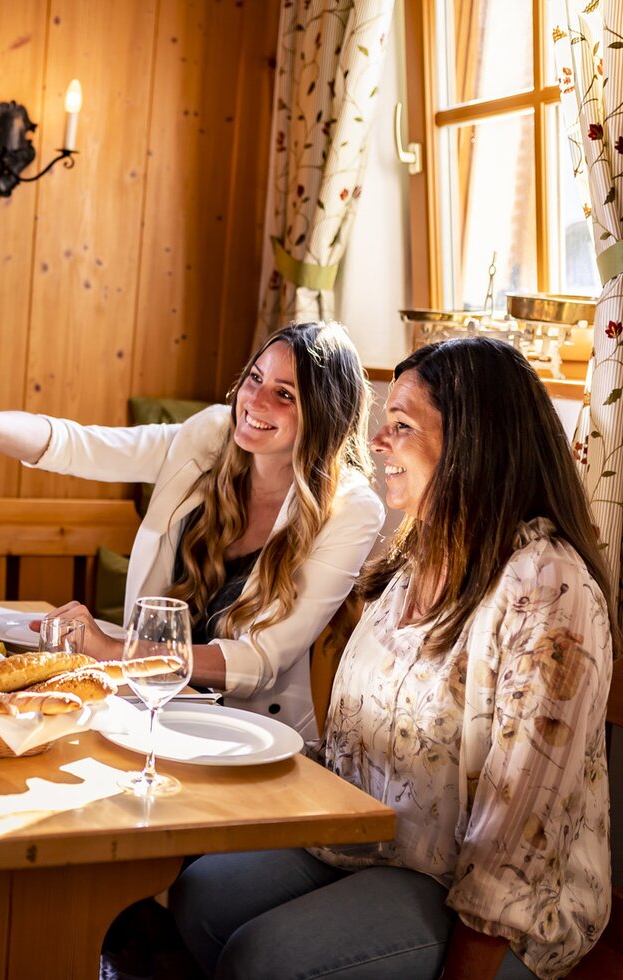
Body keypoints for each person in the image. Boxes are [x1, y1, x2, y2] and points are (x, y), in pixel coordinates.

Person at [169, 337, 616, 979]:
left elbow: (521, 826)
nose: (377, 444)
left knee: (263, 958)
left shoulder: (547, 586)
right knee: (203, 895)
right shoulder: (420, 559)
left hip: (484, 898)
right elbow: (352, 740)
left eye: (401, 426)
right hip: (375, 843)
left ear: (472, 444)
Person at [0, 320, 385, 739]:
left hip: (250, 733)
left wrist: (115, 650)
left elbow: (260, 661)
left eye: (285, 394)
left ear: (324, 416)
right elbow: (83, 446)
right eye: (255, 379)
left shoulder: (351, 510)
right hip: (141, 710)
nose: (255, 401)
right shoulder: (209, 438)